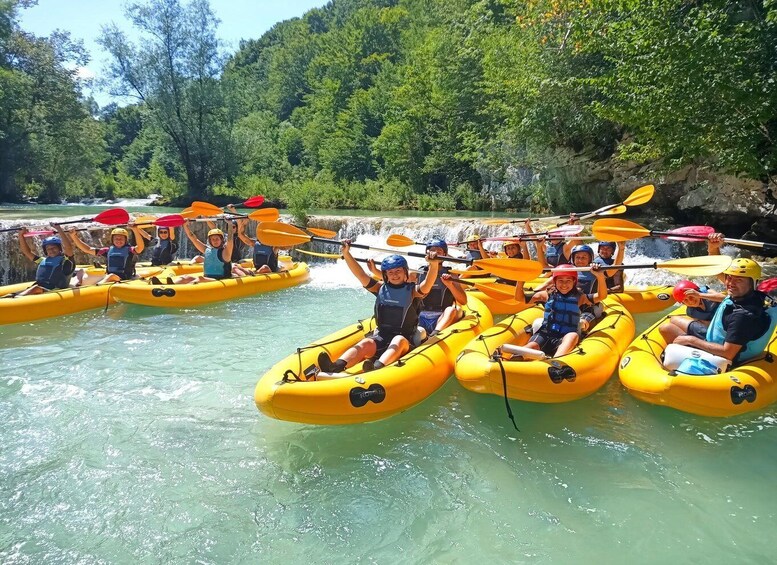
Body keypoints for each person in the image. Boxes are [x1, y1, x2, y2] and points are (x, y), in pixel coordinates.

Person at [317, 244, 441, 374]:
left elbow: (427, 284)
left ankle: (377, 368)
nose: (394, 275)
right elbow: (360, 274)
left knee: (397, 340)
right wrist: (346, 254)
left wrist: (433, 265)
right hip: (382, 337)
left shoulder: (412, 291)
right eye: (390, 272)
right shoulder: (379, 288)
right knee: (366, 343)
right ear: (386, 275)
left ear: (405, 272)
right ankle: (335, 366)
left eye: (398, 271)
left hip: (405, 340)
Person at [671, 258, 773, 365]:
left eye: (739, 280)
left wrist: (691, 340)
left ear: (752, 283)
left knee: (667, 329)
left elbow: (727, 353)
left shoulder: (742, 316)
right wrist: (712, 248)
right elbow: (719, 273)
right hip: (717, 338)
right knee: (672, 323)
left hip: (723, 355)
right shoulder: (744, 296)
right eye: (729, 278)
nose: (731, 283)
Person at [514, 263, 607, 357]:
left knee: (573, 336)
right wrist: (520, 280)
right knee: (531, 346)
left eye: (568, 280)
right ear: (554, 281)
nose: (564, 284)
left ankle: (556, 360)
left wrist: (600, 276)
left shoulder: (579, 297)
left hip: (565, 337)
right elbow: (519, 298)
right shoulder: (546, 295)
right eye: (560, 280)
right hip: (545, 334)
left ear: (574, 282)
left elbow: (601, 296)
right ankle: (514, 358)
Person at [417, 239, 467, 337]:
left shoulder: (452, 274)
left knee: (451, 310)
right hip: (421, 315)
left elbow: (463, 301)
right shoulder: (416, 273)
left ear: (444, 254)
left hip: (442, 317)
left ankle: (434, 336)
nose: (435, 253)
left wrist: (450, 285)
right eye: (432, 250)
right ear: (426, 253)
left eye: (439, 251)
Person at [9, 225, 77, 297]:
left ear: (60, 248)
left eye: (54, 248)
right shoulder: (42, 260)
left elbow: (68, 247)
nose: (51, 250)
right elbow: (27, 252)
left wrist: (58, 228)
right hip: (41, 289)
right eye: (48, 249)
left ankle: (16, 299)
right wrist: (21, 235)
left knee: (36, 288)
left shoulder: (66, 261)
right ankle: (11, 298)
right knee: (11, 294)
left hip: (55, 291)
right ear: (46, 251)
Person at [69, 226, 145, 283]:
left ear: (126, 240)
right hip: (109, 277)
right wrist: (74, 236)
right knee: (81, 271)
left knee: (111, 276)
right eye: (116, 239)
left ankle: (98, 287)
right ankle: (79, 284)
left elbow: (140, 247)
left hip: (123, 278)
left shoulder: (130, 250)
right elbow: (87, 249)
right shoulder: (107, 250)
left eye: (121, 238)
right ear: (112, 240)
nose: (118, 240)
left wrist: (135, 230)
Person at [658, 280, 725, 343]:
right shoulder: (691, 312)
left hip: (725, 327)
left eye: (691, 297)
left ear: (696, 292)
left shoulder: (707, 292)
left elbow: (725, 298)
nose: (691, 301)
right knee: (670, 322)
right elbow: (702, 325)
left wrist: (700, 295)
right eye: (686, 300)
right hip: (711, 331)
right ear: (684, 303)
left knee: (674, 319)